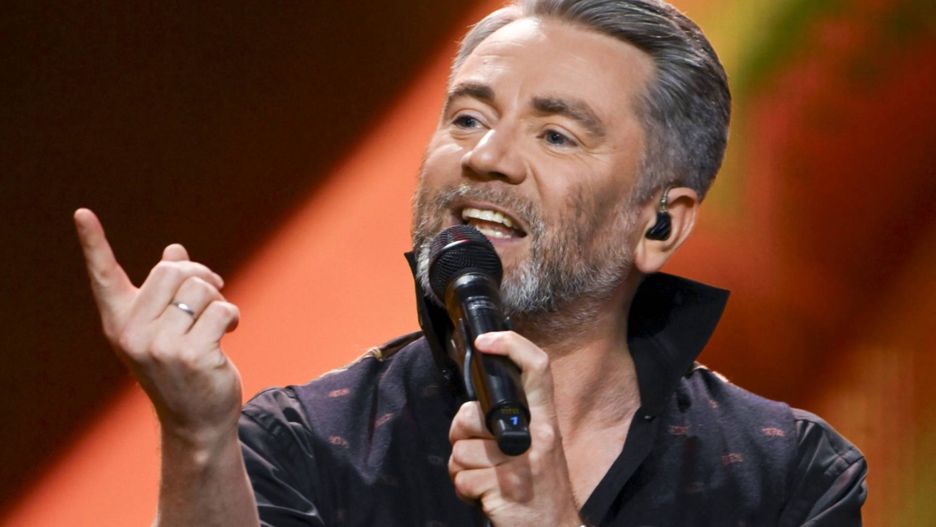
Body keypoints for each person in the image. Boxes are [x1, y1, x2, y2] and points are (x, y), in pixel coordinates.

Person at [74, 0, 867, 525]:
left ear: (659, 222)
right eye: (466, 117)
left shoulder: (790, 477)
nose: (486, 156)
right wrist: (197, 436)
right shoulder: (305, 442)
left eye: (555, 134)